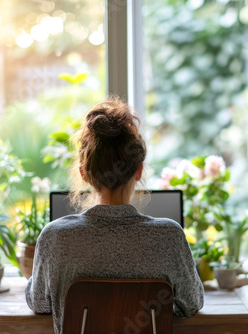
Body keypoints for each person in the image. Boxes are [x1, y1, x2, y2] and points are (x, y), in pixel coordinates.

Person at [25, 98, 204, 334]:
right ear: (138, 170)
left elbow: (39, 303)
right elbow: (192, 304)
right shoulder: (169, 237)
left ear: (85, 173)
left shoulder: (55, 237)